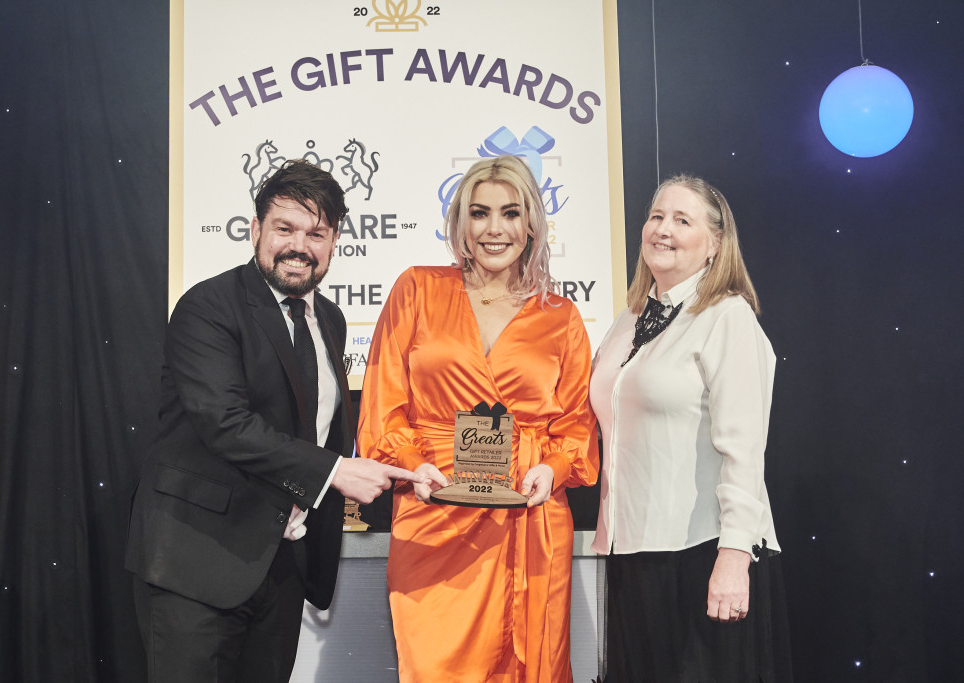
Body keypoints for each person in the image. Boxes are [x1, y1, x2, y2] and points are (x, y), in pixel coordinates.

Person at [124, 159, 424, 683]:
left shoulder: (327, 318)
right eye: (285, 228)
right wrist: (337, 472)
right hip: (197, 564)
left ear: (334, 243)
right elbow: (226, 424)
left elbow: (316, 428)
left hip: (282, 566)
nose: (299, 246)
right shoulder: (208, 306)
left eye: (317, 233)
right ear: (256, 229)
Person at [358, 155, 599, 682]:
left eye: (510, 213)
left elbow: (577, 427)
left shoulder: (560, 316)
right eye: (479, 213)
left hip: (528, 514)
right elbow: (382, 407)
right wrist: (413, 465)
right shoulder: (416, 288)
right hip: (434, 510)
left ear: (531, 223)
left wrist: (552, 471)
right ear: (460, 223)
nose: (494, 229)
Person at [589, 175, 792, 681]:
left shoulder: (728, 317)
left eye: (683, 220)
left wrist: (733, 557)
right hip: (634, 554)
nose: (663, 229)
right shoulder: (629, 318)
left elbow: (744, 450)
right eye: (657, 216)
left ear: (716, 243)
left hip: (704, 553)